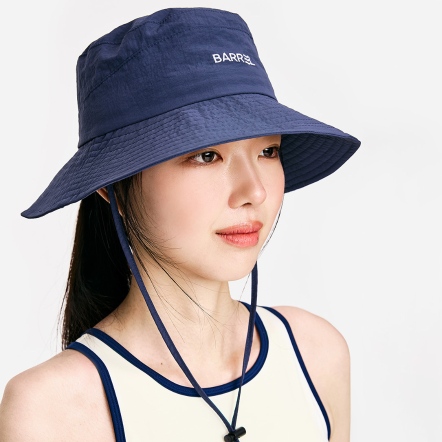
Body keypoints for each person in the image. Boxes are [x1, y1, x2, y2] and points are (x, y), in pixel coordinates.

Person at [0, 7, 360, 442]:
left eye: (268, 152)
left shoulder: (314, 354)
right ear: (113, 186)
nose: (255, 191)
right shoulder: (52, 410)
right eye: (207, 155)